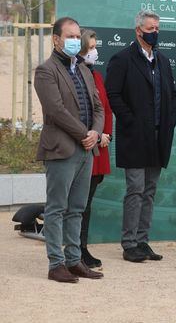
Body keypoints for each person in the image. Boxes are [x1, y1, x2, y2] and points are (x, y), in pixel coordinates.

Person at [34, 17, 104, 283]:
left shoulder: (85, 70)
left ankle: (74, 261)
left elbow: (97, 107)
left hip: (87, 150)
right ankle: (56, 264)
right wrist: (84, 134)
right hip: (62, 149)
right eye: (71, 36)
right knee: (57, 208)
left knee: (77, 208)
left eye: (78, 36)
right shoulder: (46, 71)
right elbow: (55, 111)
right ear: (56, 39)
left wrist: (95, 133)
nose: (76, 40)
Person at [105, 10, 176, 263]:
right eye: (151, 28)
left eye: (157, 29)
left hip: (159, 138)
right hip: (135, 137)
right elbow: (113, 95)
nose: (155, 32)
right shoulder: (122, 59)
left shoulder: (164, 61)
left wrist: (171, 122)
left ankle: (142, 241)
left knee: (149, 191)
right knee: (135, 189)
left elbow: (173, 95)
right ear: (138, 30)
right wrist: (130, 121)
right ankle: (129, 244)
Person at [78, 28, 113, 268]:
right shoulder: (75, 74)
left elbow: (105, 108)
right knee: (79, 203)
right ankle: (76, 250)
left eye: (95, 46)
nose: (95, 51)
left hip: (99, 148)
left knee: (87, 202)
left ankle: (82, 248)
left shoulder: (97, 75)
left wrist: (106, 133)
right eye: (90, 47)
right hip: (83, 146)